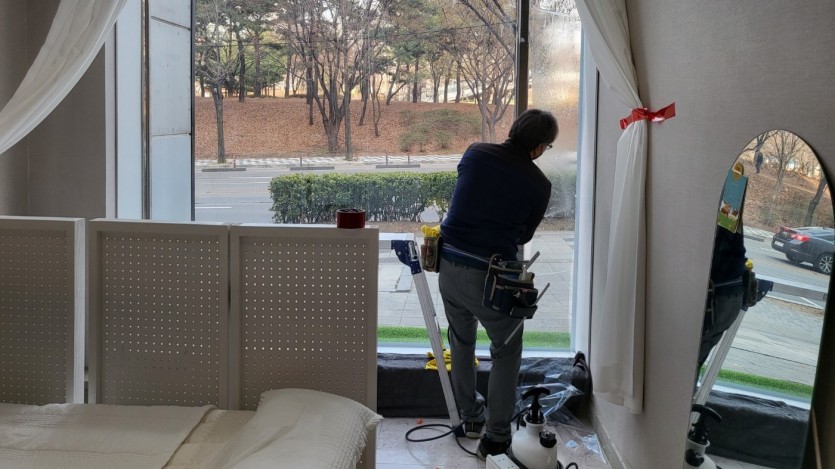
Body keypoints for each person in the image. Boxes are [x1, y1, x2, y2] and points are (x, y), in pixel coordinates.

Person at [437, 108, 558, 459]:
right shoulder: (539, 184)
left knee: (461, 340)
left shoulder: (476, 152)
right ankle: (498, 435)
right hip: (491, 277)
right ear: (539, 146)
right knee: (505, 350)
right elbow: (524, 235)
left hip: (449, 266)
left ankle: (471, 418)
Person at [697, 223, 748, 387]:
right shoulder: (729, 209)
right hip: (728, 291)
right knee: (690, 365)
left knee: (683, 366)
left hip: (715, 295)